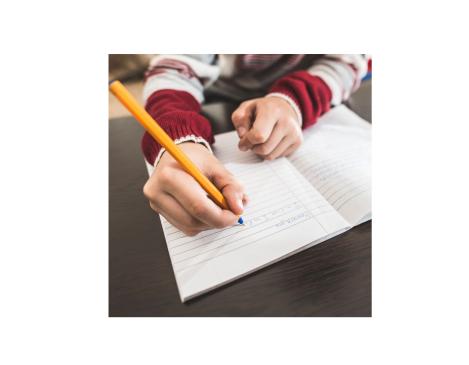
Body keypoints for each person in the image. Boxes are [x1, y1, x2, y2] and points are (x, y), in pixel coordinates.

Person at [142, 54, 369, 235]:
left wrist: (294, 101)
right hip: (217, 95)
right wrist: (178, 137)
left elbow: (347, 62)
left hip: (316, 89)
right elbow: (172, 70)